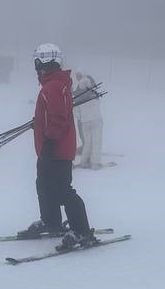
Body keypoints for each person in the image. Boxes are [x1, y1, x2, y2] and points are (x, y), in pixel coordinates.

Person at [18, 44, 96, 249]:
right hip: (50, 149)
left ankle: (82, 231)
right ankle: (51, 221)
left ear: (46, 63)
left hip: (56, 150)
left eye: (37, 62)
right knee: (43, 185)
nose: (35, 67)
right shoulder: (53, 85)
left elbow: (59, 119)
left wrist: (50, 145)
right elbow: (53, 115)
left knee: (63, 191)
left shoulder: (52, 86)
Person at [73, 70, 104, 169]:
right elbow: (98, 103)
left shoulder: (77, 97)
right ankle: (95, 163)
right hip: (96, 120)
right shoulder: (93, 94)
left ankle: (84, 162)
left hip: (85, 122)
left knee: (87, 143)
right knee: (96, 142)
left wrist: (82, 118)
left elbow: (76, 112)